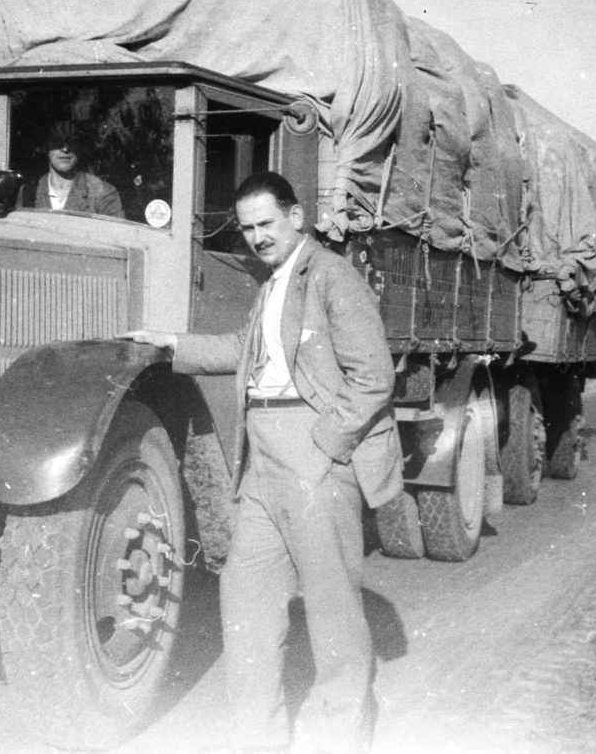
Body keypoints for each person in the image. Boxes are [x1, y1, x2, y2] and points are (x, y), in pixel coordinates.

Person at [121, 171, 400, 754]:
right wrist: (173, 343)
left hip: (311, 452)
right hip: (262, 460)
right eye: (247, 228)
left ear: (297, 217)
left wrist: (326, 448)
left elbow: (374, 376)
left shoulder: (331, 277)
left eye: (266, 224)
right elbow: (242, 351)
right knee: (245, 604)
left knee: (332, 614)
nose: (256, 237)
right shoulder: (271, 282)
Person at [25, 122, 123, 216]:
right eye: (57, 142)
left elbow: (115, 232)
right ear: (46, 147)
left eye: (72, 142)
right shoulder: (29, 192)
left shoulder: (103, 193)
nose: (65, 149)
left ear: (80, 148)